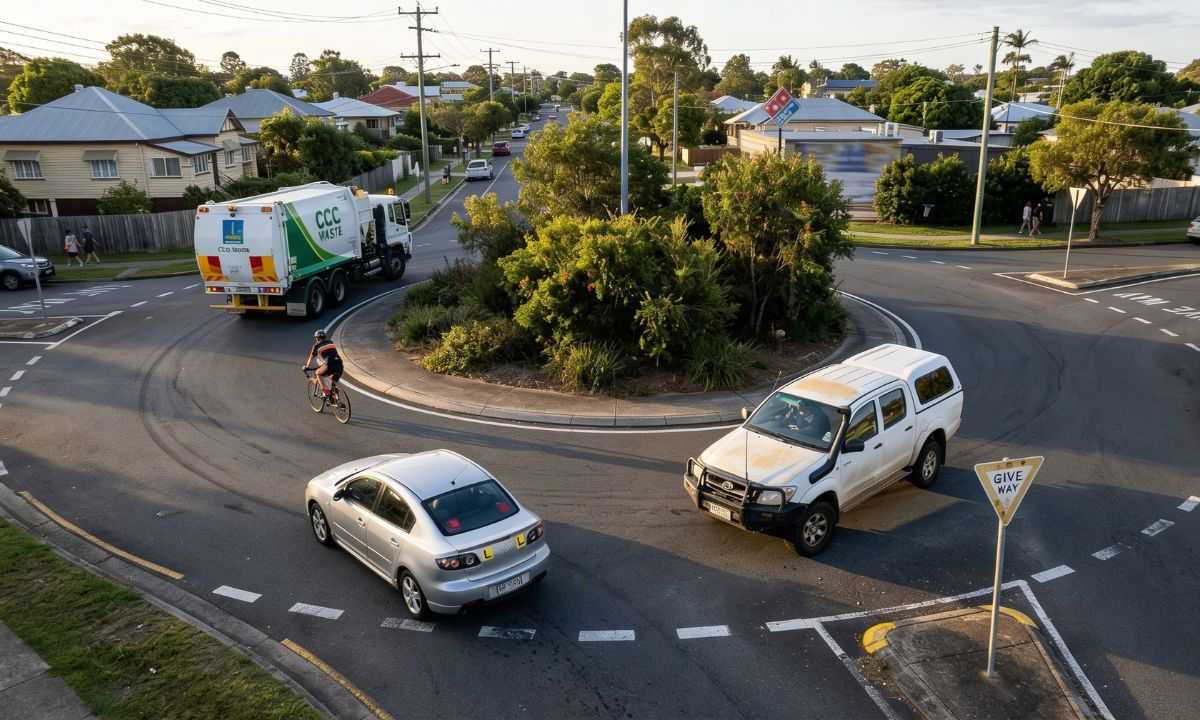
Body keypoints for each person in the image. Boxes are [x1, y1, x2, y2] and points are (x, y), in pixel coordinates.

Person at [303, 329, 343, 398]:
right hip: (339, 363)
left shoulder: (316, 346)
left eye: (316, 338)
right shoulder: (331, 342)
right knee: (331, 381)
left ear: (317, 338)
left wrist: (306, 367)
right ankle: (335, 398)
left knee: (317, 373)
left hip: (329, 364)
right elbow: (331, 353)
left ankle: (325, 391)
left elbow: (311, 358)